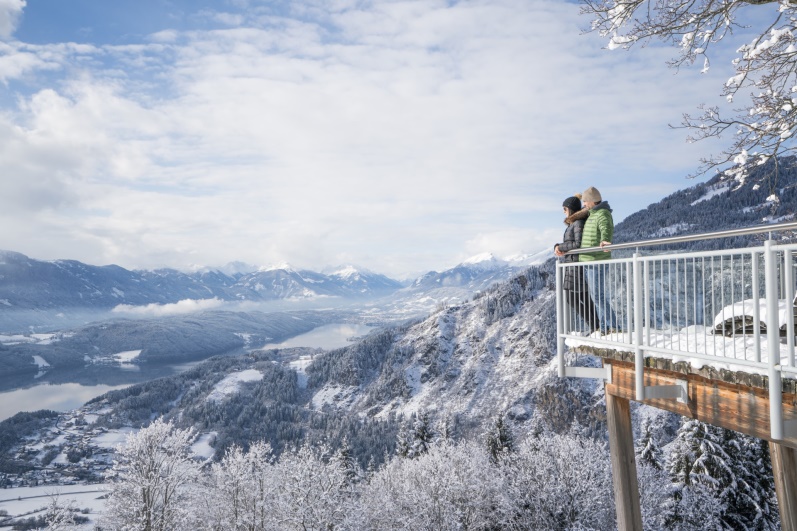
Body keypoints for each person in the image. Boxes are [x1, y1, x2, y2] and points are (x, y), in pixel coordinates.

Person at [578, 186, 620, 334]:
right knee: (596, 296)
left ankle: (615, 326)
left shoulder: (602, 213)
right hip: (589, 260)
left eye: (585, 201)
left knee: (598, 296)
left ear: (592, 201)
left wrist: (606, 240)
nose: (584, 204)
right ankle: (605, 328)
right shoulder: (593, 214)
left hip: (597, 259)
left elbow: (606, 227)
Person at [554, 194, 598, 333]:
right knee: (582, 297)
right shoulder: (574, 223)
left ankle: (595, 326)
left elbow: (578, 244)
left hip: (576, 264)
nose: (563, 211)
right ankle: (595, 326)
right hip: (573, 263)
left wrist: (560, 247)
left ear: (571, 209)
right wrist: (558, 246)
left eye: (565, 208)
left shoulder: (577, 223)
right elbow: (571, 243)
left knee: (572, 299)